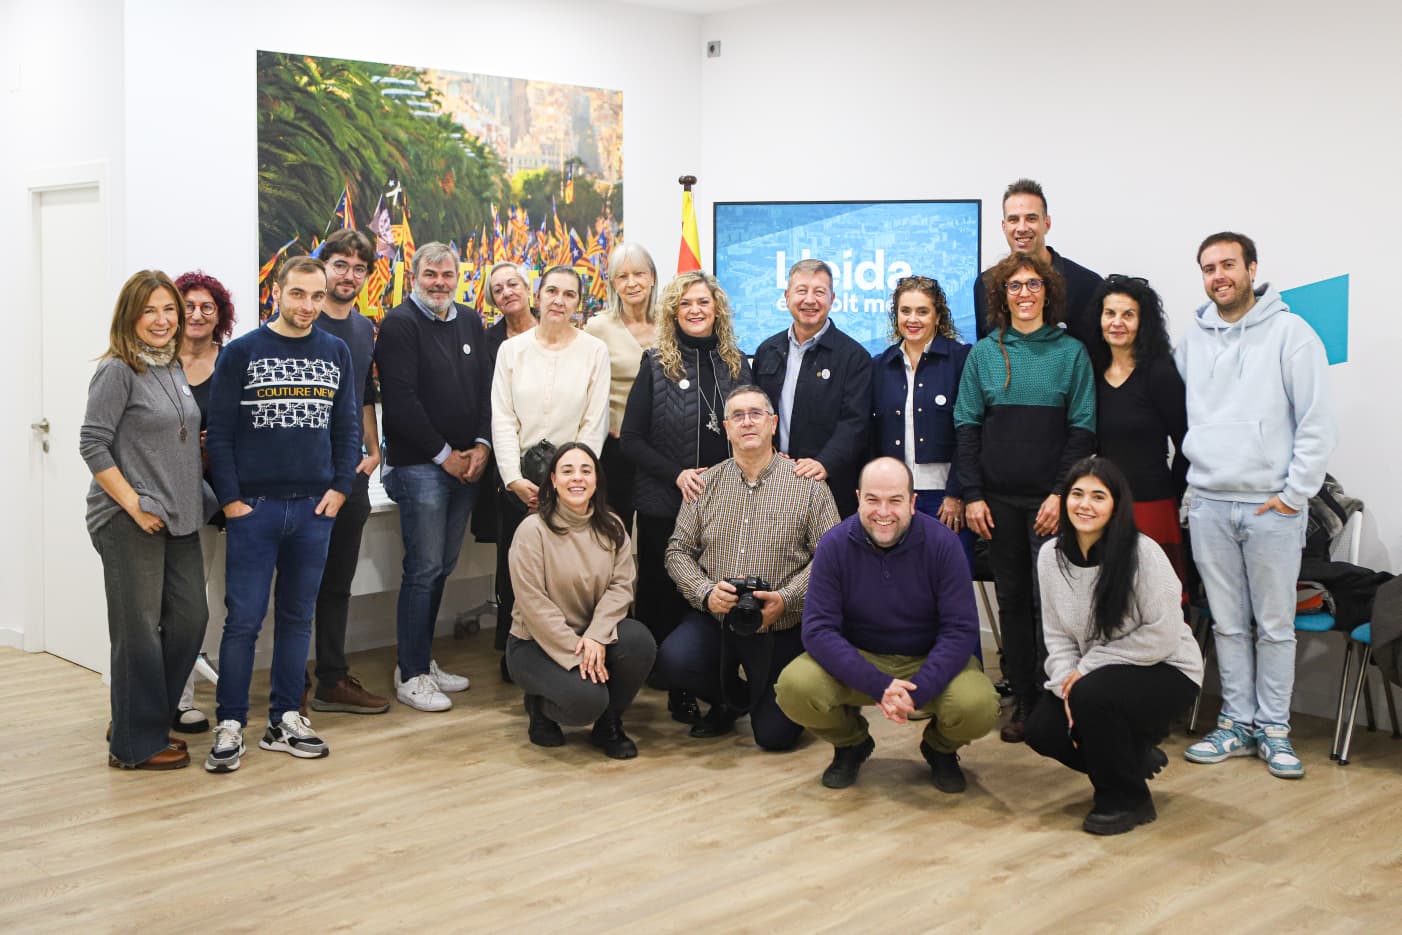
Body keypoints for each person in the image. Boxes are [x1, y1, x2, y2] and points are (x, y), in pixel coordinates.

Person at [1178, 232, 1335, 779]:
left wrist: (1295, 496)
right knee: (1226, 626)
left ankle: (1274, 730)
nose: (1218, 275)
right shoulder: (1192, 341)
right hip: (1209, 505)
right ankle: (1236, 724)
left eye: (1227, 265)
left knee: (1273, 626)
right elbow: (1185, 420)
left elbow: (1317, 422)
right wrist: (1194, 492)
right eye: (1208, 268)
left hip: (1271, 509)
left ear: (1251, 269)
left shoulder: (1291, 334)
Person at [203, 256, 359, 772]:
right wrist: (231, 502)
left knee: (297, 620)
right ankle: (230, 724)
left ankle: (286, 718)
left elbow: (347, 428)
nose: (308, 306)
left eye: (317, 297)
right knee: (243, 621)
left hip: (314, 510)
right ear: (276, 290)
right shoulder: (243, 352)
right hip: (255, 510)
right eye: (298, 295)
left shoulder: (335, 351)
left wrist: (340, 488)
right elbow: (219, 435)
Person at [775, 458, 999, 791]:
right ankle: (851, 743)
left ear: (912, 502)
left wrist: (918, 690)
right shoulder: (833, 545)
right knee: (794, 687)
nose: (883, 511)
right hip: (859, 657)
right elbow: (818, 630)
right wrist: (879, 685)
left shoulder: (943, 544)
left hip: (927, 658)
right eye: (873, 499)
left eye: (895, 500)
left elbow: (960, 631)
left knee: (979, 705)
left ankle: (939, 748)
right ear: (858, 498)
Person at [954, 252, 1096, 743]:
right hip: (996, 504)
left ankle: (1056, 703)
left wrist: (1061, 494)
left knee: (1051, 605)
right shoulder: (984, 354)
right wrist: (972, 495)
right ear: (1001, 296)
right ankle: (1025, 702)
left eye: (1033, 284)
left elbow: (1081, 432)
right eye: (1014, 287)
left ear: (1048, 291)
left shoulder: (1072, 353)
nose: (1025, 294)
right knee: (1012, 601)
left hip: (1050, 505)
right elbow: (967, 429)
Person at [1025, 457, 1203, 835]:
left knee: (1091, 695)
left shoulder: (1143, 553)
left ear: (1116, 506)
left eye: (1098, 496)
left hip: (1168, 668)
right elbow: (1056, 636)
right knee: (1042, 728)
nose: (1084, 505)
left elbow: (1164, 634)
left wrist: (1084, 674)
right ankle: (1129, 758)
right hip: (1096, 679)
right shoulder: (1049, 557)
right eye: (1076, 494)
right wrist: (1065, 685)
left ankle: (1125, 798)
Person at [658, 385, 840, 750]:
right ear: (726, 428)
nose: (747, 422)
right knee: (674, 659)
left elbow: (833, 559)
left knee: (774, 738)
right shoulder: (705, 484)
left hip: (781, 624)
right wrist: (705, 592)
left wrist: (786, 598)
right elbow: (677, 551)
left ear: (773, 423)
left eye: (756, 413)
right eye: (737, 416)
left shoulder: (808, 485)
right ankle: (729, 698)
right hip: (720, 620)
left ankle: (764, 697)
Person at [81, 270, 209, 770]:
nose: (162, 320)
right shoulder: (118, 369)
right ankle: (134, 745)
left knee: (190, 620)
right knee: (137, 631)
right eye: (150, 310)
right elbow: (92, 442)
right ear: (130, 316)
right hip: (128, 518)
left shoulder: (171, 367)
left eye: (169, 310)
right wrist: (134, 503)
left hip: (179, 515)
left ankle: (138, 715)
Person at [621, 270, 751, 725]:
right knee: (664, 596)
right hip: (663, 505)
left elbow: (751, 432)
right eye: (685, 304)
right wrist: (676, 475)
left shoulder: (736, 365)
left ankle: (714, 677)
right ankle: (673, 684)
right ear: (673, 312)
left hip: (724, 509)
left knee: (714, 597)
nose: (695, 310)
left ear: (717, 309)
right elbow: (631, 440)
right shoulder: (655, 363)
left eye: (703, 302)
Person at [376, 242, 493, 712]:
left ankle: (422, 660)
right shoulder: (399, 325)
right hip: (420, 467)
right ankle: (411, 671)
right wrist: (446, 456)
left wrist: (482, 446)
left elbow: (488, 388)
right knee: (423, 570)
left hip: (466, 465)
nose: (439, 282)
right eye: (430, 274)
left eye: (447, 274)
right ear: (414, 275)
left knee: (441, 566)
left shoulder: (469, 320)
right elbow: (401, 404)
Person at [491, 265, 611, 678]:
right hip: (521, 479)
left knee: (566, 568)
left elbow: (594, 423)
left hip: (572, 481)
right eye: (552, 292)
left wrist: (572, 479)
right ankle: (518, 654)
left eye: (569, 295)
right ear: (537, 296)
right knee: (517, 568)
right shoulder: (512, 351)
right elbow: (503, 418)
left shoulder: (594, 351)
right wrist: (513, 478)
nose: (559, 301)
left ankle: (572, 649)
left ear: (579, 304)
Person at [506, 443, 656, 758]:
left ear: (597, 480)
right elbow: (535, 608)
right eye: (567, 471)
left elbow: (621, 586)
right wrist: (580, 653)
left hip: (590, 636)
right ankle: (540, 707)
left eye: (586, 471)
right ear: (553, 481)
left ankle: (609, 724)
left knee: (639, 641)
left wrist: (595, 636)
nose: (577, 478)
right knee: (586, 701)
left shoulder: (613, 526)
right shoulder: (532, 531)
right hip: (534, 644)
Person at [305, 229, 391, 716]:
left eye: (359, 268)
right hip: (300, 472)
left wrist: (374, 448)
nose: (349, 275)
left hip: (351, 470)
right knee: (298, 579)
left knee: (338, 581)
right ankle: (291, 675)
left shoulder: (363, 328)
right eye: (340, 264)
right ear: (323, 266)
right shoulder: (303, 320)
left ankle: (332, 679)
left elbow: (363, 394)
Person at [1085, 275, 1188, 587]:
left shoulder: (1159, 373)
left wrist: (1172, 496)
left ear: (1142, 322)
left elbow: (1186, 444)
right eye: (1110, 313)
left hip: (1153, 506)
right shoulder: (1091, 373)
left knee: (1156, 599)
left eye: (1128, 314)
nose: (1117, 323)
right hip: (1102, 508)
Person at [170, 269, 237, 734]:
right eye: (187, 306)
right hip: (161, 496)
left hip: (213, 499)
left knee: (199, 600)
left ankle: (186, 693)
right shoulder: (154, 362)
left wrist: (220, 443)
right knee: (164, 602)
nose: (196, 315)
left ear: (219, 316)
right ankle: (166, 697)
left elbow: (249, 424)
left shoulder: (231, 362)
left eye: (206, 307)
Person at [869, 274, 975, 570]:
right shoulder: (880, 366)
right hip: (894, 499)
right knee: (898, 587)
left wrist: (957, 493)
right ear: (895, 316)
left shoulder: (962, 359)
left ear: (938, 316)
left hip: (946, 500)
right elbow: (871, 436)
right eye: (905, 311)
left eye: (922, 311)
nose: (912, 319)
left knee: (949, 586)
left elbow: (970, 433)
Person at [753, 258, 872, 518]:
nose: (810, 300)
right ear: (787, 297)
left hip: (829, 485)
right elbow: (756, 414)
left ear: (832, 298)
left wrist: (824, 463)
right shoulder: (767, 351)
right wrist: (767, 456)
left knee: (827, 557)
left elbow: (855, 422)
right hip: (772, 481)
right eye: (801, 290)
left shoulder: (854, 357)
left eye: (819, 292)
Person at [973, 178, 1103, 344]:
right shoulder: (985, 285)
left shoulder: (1088, 286)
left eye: (1031, 218)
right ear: (1004, 226)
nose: (1022, 228)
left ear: (1046, 224)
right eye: (1014, 219)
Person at [586, 242, 659, 532]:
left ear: (652, 277)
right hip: (616, 448)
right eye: (622, 276)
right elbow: (587, 389)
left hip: (661, 448)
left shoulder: (671, 322)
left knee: (658, 533)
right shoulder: (597, 327)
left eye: (639, 274)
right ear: (613, 284)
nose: (632, 283)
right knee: (614, 529)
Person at [470, 261, 537, 551]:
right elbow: (485, 400)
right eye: (498, 290)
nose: (507, 292)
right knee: (511, 546)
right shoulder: (486, 343)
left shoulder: (558, 332)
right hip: (507, 453)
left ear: (527, 288)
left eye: (512, 284)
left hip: (555, 451)